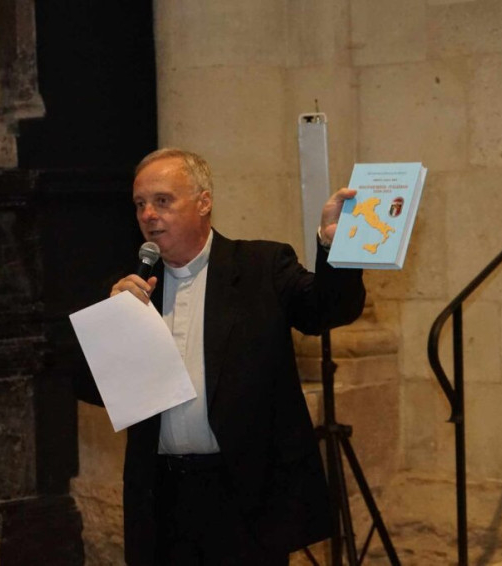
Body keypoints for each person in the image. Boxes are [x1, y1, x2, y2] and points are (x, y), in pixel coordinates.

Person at [109, 148, 365, 565]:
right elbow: (97, 389)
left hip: (244, 499)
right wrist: (114, 323)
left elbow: (329, 310)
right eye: (140, 204)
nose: (148, 215)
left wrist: (336, 246)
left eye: (162, 200)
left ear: (203, 202)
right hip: (163, 501)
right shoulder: (134, 288)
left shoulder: (261, 266)